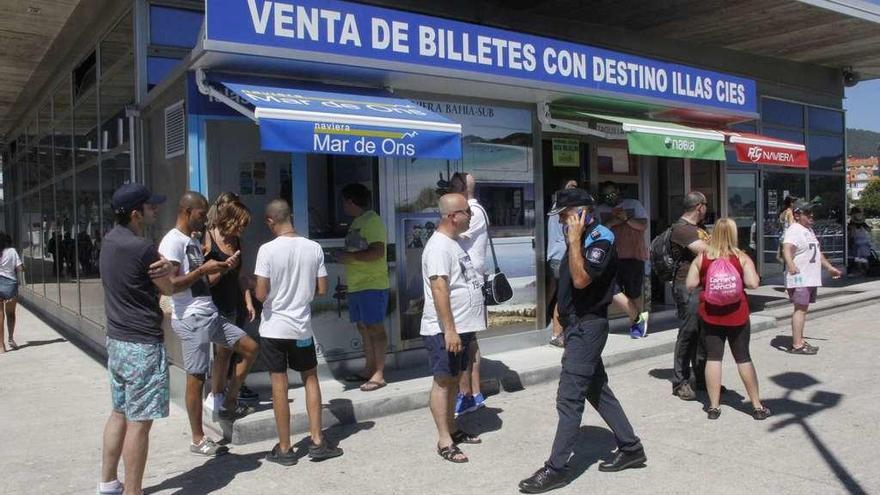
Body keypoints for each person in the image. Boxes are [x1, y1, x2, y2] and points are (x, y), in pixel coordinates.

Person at [519, 188, 645, 493]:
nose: (563, 222)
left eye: (565, 216)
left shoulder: (599, 238)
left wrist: (574, 240)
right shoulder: (582, 238)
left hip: (587, 329)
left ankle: (556, 468)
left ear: (582, 213)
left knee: (569, 398)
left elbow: (581, 279)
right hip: (578, 326)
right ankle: (631, 448)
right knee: (597, 389)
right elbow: (591, 287)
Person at [158, 191, 260, 456]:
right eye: (201, 214)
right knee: (196, 378)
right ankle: (198, 438)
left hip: (210, 313)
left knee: (250, 347)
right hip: (192, 319)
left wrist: (223, 267)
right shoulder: (173, 242)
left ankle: (229, 399)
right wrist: (204, 270)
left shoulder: (190, 240)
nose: (205, 219)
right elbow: (171, 286)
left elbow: (201, 281)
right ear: (186, 211)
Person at [97, 184, 174, 495]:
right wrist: (176, 269)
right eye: (150, 206)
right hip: (142, 344)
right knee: (139, 422)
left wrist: (165, 266)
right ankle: (133, 491)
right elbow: (168, 288)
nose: (154, 210)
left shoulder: (110, 241)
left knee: (119, 412)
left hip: (117, 340)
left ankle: (107, 483)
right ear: (135, 213)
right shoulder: (142, 248)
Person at [254, 199, 343, 465]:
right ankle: (317, 440)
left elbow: (261, 293)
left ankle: (285, 448)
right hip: (301, 327)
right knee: (310, 378)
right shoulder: (313, 247)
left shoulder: (266, 250)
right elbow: (323, 289)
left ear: (271, 221)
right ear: (290, 217)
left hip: (273, 328)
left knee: (279, 384)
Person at [421, 193, 486, 464]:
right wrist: (449, 330)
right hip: (445, 329)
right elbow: (439, 289)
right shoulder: (438, 247)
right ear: (452, 216)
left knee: (454, 379)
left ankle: (454, 428)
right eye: (466, 212)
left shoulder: (454, 243)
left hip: (462, 326)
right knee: (443, 381)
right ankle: (444, 439)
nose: (470, 216)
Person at [685, 218, 770, 421]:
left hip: (710, 315)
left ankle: (713, 407)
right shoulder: (741, 258)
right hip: (737, 314)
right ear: (733, 234)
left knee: (714, 358)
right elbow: (753, 283)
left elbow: (689, 284)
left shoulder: (703, 258)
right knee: (743, 358)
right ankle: (757, 405)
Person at [202, 193, 259, 414]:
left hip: (231, 303)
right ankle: (218, 396)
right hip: (209, 306)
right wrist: (224, 266)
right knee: (225, 352)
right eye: (241, 224)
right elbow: (204, 280)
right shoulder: (207, 238)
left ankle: (221, 395)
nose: (243, 229)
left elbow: (240, 276)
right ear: (231, 221)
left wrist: (248, 302)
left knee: (226, 352)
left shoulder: (237, 242)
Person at [339, 183, 390, 392]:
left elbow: (377, 251)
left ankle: (379, 374)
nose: (343, 205)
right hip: (357, 284)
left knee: (375, 328)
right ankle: (369, 368)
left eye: (344, 201)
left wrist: (348, 256)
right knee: (364, 328)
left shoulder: (372, 220)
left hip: (372, 284)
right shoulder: (357, 222)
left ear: (351, 201)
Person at [449, 172, 489, 416]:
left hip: (468, 283)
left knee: (463, 342)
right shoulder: (473, 210)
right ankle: (474, 393)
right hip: (468, 281)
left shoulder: (473, 212)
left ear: (461, 189)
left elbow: (451, 234)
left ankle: (466, 395)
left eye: (452, 188)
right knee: (470, 341)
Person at [782, 199, 842, 354]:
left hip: (810, 277)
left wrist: (829, 268)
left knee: (803, 309)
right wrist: (791, 265)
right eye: (807, 212)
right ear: (797, 214)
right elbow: (786, 248)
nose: (811, 215)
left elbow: (817, 252)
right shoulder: (794, 229)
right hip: (800, 278)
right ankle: (797, 345)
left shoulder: (808, 230)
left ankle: (799, 340)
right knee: (800, 310)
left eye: (811, 212)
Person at [669, 192, 711, 401]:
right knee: (688, 333)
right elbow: (707, 251)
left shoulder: (696, 229)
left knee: (702, 335)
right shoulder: (681, 229)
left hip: (702, 287)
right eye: (705, 205)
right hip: (687, 287)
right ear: (699, 207)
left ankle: (703, 379)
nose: (706, 209)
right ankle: (680, 381)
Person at [594, 181, 649, 338]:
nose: (610, 198)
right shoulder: (600, 210)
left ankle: (637, 327)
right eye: (606, 196)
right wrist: (611, 221)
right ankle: (637, 318)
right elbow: (598, 231)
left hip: (633, 255)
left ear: (618, 191)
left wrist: (626, 219)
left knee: (635, 293)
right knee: (613, 291)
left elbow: (643, 225)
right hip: (611, 258)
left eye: (612, 194)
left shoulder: (634, 204)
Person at [546, 179, 578, 348]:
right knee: (563, 296)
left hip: (554, 256)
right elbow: (568, 236)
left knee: (557, 293)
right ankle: (557, 334)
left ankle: (551, 325)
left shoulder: (555, 207)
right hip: (561, 256)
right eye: (571, 187)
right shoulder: (564, 210)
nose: (575, 189)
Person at [0, 232, 24, 352]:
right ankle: (10, 338)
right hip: (10, 284)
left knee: (0, 314)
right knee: (10, 313)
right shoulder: (12, 251)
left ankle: (1, 346)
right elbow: (20, 268)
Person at [849, 207, 872, 277]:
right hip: (865, 242)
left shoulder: (852, 225)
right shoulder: (863, 224)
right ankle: (867, 271)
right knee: (865, 258)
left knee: (858, 258)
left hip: (857, 243)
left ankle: (860, 272)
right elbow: (869, 230)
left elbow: (852, 235)